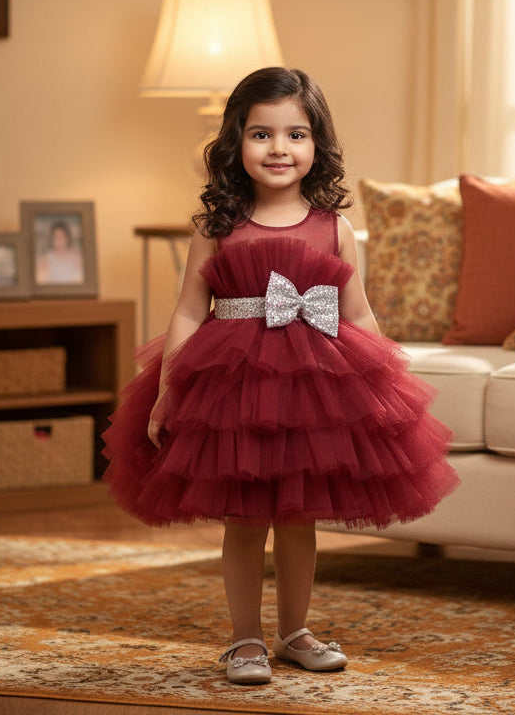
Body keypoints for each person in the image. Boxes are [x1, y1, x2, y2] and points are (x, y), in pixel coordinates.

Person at [102, 67, 459, 685]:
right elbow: (190, 308)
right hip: (232, 391)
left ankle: (295, 631)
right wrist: (166, 390)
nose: (279, 148)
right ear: (235, 144)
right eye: (261, 134)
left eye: (295, 134)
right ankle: (244, 640)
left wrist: (386, 387)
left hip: (311, 392)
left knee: (299, 519)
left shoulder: (334, 227)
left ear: (317, 144)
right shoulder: (217, 227)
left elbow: (359, 313)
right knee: (244, 519)